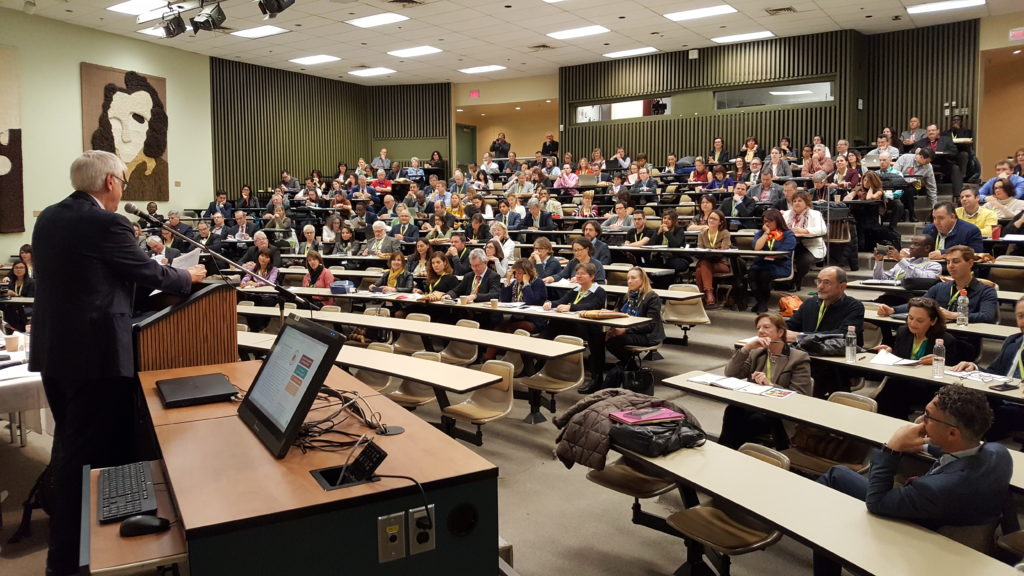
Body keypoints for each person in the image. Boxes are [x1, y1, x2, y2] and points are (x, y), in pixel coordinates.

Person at [30, 151, 205, 575]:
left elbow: (90, 276)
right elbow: (152, 275)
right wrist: (188, 277)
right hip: (95, 357)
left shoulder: (49, 217)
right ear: (110, 181)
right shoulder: (106, 222)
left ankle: (78, 549)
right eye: (123, 180)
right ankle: (73, 559)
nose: (123, 187)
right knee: (86, 456)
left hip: (57, 353)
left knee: (70, 447)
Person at [813, 385, 1010, 576]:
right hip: (957, 523)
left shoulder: (934, 489)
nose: (920, 421)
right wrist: (925, 444)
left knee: (836, 475)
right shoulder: (999, 453)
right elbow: (955, 449)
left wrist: (892, 448)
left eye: (928, 416)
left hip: (918, 537)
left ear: (952, 433)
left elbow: (877, 502)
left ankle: (820, 542)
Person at [878, 244, 996, 359]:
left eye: (956, 262)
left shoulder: (986, 291)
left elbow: (987, 316)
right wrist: (893, 310)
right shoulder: (940, 287)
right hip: (933, 337)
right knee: (903, 334)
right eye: (948, 262)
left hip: (962, 341)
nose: (950, 266)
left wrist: (955, 315)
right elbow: (920, 303)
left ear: (970, 263)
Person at [720, 313, 812, 449]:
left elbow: (801, 396)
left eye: (766, 327)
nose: (761, 331)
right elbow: (731, 373)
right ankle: (728, 451)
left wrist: (771, 386)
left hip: (781, 414)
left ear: (780, 332)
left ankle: (729, 452)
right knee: (733, 410)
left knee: (748, 421)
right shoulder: (757, 353)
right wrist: (747, 348)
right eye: (758, 328)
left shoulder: (798, 358)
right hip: (756, 406)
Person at [871, 297, 971, 417]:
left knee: (894, 391)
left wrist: (939, 362)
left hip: (929, 388)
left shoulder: (946, 340)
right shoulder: (903, 332)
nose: (912, 324)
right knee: (891, 390)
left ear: (933, 321)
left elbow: (951, 375)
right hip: (904, 382)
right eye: (910, 318)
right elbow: (899, 361)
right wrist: (889, 353)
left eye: (920, 321)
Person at [596, 267, 665, 392]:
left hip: (649, 335)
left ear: (642, 279)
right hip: (630, 330)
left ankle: (630, 366)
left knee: (614, 341)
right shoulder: (628, 296)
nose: (629, 281)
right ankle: (624, 367)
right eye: (628, 278)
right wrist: (612, 324)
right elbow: (619, 314)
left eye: (633, 278)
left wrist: (625, 330)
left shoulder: (652, 297)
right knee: (600, 337)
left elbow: (650, 325)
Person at [747, 208, 797, 314]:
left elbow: (783, 252)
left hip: (780, 265)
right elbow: (756, 248)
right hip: (761, 264)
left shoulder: (788, 234)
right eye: (765, 221)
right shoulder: (761, 233)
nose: (767, 223)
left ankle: (762, 303)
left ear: (778, 221)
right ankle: (761, 302)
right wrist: (766, 234)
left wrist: (766, 255)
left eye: (770, 221)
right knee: (751, 273)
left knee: (764, 275)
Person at [784, 190, 827, 292]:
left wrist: (805, 230)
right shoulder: (786, 214)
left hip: (810, 246)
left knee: (804, 260)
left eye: (800, 201)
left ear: (806, 203)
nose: (796, 203)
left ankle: (797, 280)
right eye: (794, 201)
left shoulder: (815, 214)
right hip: (791, 244)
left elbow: (823, 230)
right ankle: (783, 281)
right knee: (782, 257)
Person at [695, 209, 731, 308]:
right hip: (706, 262)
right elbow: (699, 249)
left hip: (722, 264)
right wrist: (713, 250)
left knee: (702, 265)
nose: (711, 221)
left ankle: (704, 297)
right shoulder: (702, 234)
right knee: (701, 267)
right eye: (710, 218)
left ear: (721, 222)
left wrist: (709, 251)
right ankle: (709, 296)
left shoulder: (725, 233)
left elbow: (724, 249)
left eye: (714, 219)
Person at [872, 235, 941, 281]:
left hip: (913, 298)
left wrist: (900, 259)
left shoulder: (934, 265)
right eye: (912, 243)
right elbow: (879, 279)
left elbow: (922, 278)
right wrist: (879, 261)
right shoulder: (905, 261)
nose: (911, 246)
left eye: (916, 244)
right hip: (892, 294)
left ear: (927, 248)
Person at [1, 260, 35, 331]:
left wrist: (15, 294)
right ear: (13, 270)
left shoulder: (31, 282)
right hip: (13, 306)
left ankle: (17, 328)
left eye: (21, 267)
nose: (18, 270)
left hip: (26, 306)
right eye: (16, 268)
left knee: (11, 310)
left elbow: (29, 299)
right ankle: (17, 328)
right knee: (5, 307)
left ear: (25, 270)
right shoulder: (11, 282)